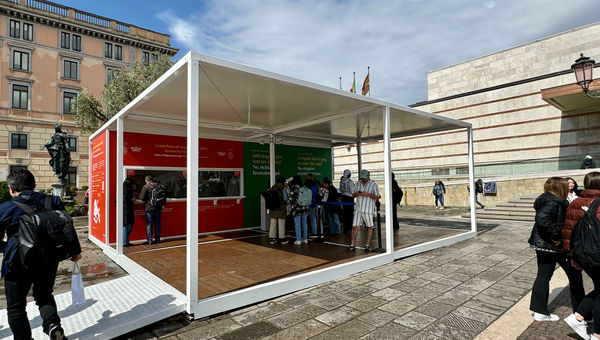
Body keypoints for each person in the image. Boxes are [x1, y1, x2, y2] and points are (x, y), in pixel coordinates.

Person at [0, 169, 82, 340]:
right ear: (35, 186)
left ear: (11, 189)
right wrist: (75, 251)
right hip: (49, 257)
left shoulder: (5, 208)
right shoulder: (53, 200)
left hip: (17, 261)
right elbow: (68, 225)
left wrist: (7, 246)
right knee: (44, 296)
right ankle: (53, 326)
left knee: (16, 307)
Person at [528, 177, 584, 323]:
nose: (568, 187)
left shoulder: (547, 199)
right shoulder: (554, 201)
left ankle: (539, 311)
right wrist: (555, 236)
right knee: (575, 275)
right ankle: (582, 312)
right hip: (553, 246)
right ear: (559, 187)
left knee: (543, 276)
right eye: (565, 185)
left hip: (544, 245)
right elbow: (542, 218)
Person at [563, 172, 600, 339]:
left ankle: (578, 317)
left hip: (583, 255)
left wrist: (573, 256)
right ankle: (596, 333)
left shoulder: (575, 202)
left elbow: (567, 232)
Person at [348, 169, 380, 253]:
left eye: (364, 178)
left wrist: (368, 194)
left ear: (368, 176)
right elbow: (353, 195)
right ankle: (352, 244)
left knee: (369, 227)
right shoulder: (358, 184)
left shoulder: (373, 184)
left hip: (368, 209)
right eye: (361, 178)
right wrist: (358, 193)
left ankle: (367, 245)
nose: (362, 180)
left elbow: (378, 196)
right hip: (358, 209)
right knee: (354, 227)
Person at [140, 175, 163, 245]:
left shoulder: (146, 187)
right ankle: (157, 239)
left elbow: (142, 198)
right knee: (157, 223)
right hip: (158, 207)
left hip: (149, 208)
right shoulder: (159, 186)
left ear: (147, 180)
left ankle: (149, 240)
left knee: (149, 224)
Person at [268, 176, 289, 245]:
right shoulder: (283, 188)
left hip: (273, 208)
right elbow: (285, 199)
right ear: (283, 182)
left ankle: (272, 238)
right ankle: (282, 238)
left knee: (273, 223)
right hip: (281, 208)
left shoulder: (273, 187)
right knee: (281, 223)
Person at [289, 175, 309, 245]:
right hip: (305, 208)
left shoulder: (293, 187)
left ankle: (298, 240)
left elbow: (290, 198)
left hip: (297, 208)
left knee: (297, 224)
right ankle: (305, 239)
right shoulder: (304, 187)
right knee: (304, 223)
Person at [339, 169, 355, 233]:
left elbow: (341, 189)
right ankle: (349, 229)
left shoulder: (341, 181)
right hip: (350, 198)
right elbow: (352, 191)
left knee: (345, 214)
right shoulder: (350, 182)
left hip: (343, 197)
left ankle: (345, 229)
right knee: (350, 214)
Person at [123, 178, 136, 247]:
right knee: (127, 226)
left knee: (128, 226)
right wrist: (131, 200)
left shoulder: (124, 189)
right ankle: (125, 242)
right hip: (126, 211)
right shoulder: (126, 191)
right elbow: (124, 199)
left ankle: (126, 241)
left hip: (126, 211)